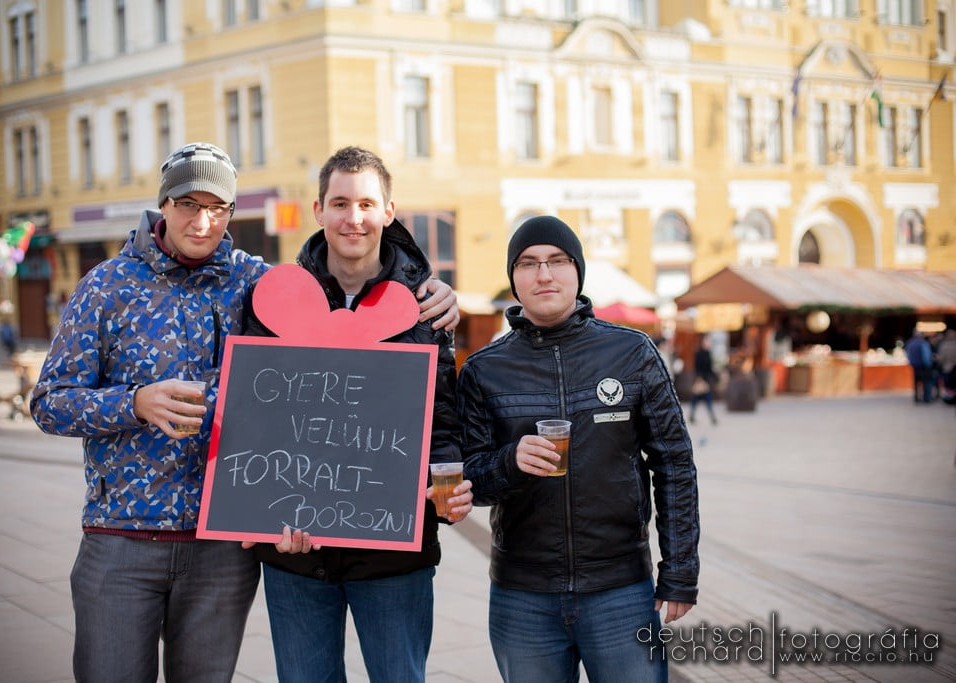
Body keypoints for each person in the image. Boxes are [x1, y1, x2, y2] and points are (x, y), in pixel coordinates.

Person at [30, 142, 457, 682]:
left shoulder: (255, 282)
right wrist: (133, 402)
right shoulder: (105, 286)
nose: (202, 221)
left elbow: (336, 317)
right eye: (188, 204)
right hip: (124, 534)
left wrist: (433, 289)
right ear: (164, 204)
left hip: (223, 546)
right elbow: (49, 403)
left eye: (218, 208)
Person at [243, 146, 473, 683]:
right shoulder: (274, 300)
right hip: (296, 548)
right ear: (318, 210)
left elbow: (441, 417)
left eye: (367, 204)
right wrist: (255, 514)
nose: (354, 218)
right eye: (341, 203)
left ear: (388, 211)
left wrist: (449, 487)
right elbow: (254, 417)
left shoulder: (424, 306)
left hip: (392, 553)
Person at [456, 216, 699, 683]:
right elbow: (471, 479)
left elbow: (674, 464)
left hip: (620, 588)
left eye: (557, 261)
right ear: (514, 278)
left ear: (577, 271)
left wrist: (680, 571)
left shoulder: (632, 353)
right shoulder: (484, 370)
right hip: (523, 593)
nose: (543, 274)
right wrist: (510, 462)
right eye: (528, 263)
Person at [689, 335, 718, 426]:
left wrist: (715, 377)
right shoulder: (698, 353)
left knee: (706, 399)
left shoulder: (708, 353)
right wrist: (699, 377)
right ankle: (693, 416)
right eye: (707, 342)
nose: (709, 343)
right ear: (703, 343)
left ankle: (712, 417)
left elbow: (709, 368)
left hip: (706, 380)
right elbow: (696, 366)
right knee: (696, 399)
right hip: (700, 380)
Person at [905, 330, 935, 403]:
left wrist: (911, 363)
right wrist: (928, 365)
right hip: (923, 366)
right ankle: (926, 398)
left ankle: (916, 398)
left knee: (916, 383)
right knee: (926, 382)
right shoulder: (923, 343)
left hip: (915, 366)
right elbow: (926, 356)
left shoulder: (910, 343)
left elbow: (908, 355)